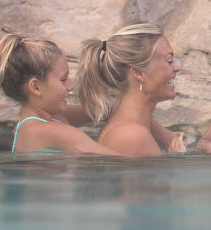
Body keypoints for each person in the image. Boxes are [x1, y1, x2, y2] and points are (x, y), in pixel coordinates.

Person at [0, 33, 117, 157]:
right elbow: (120, 162)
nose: (70, 86)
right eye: (63, 80)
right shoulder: (50, 131)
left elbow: (103, 110)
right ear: (36, 87)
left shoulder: (44, 120)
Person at [78, 24, 189, 157]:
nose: (177, 67)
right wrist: (178, 157)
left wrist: (163, 134)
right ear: (138, 73)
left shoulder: (129, 124)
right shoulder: (133, 136)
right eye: (169, 61)